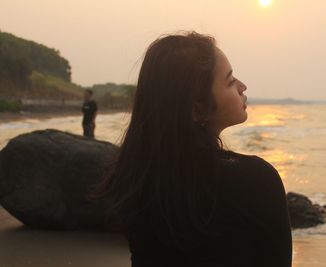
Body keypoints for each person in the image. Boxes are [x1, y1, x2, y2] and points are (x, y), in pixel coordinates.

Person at [91, 31, 292, 267]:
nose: (242, 86)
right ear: (197, 110)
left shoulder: (138, 177)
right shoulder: (255, 179)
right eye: (229, 81)